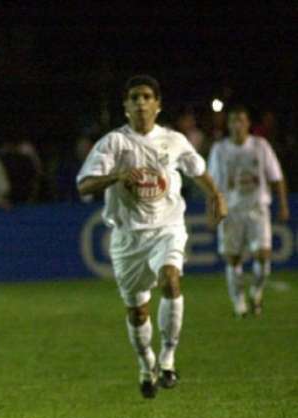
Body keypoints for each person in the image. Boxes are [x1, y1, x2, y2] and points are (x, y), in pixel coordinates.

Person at [77, 75, 227, 399]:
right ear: (126, 106)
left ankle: (169, 359)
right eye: (134, 97)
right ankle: (147, 364)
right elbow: (83, 184)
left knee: (171, 279)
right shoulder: (113, 143)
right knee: (138, 312)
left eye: (147, 97)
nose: (141, 102)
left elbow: (195, 168)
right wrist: (116, 175)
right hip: (128, 237)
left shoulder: (173, 140)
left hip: (167, 228)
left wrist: (216, 195)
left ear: (157, 105)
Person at [208, 106, 290, 317]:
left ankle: (256, 291)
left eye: (241, 120)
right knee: (233, 259)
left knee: (263, 256)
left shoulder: (260, 146)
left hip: (257, 208)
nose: (237, 125)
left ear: (247, 124)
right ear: (229, 125)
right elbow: (211, 184)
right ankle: (239, 302)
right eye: (233, 121)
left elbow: (276, 177)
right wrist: (213, 211)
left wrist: (282, 205)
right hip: (231, 210)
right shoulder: (220, 149)